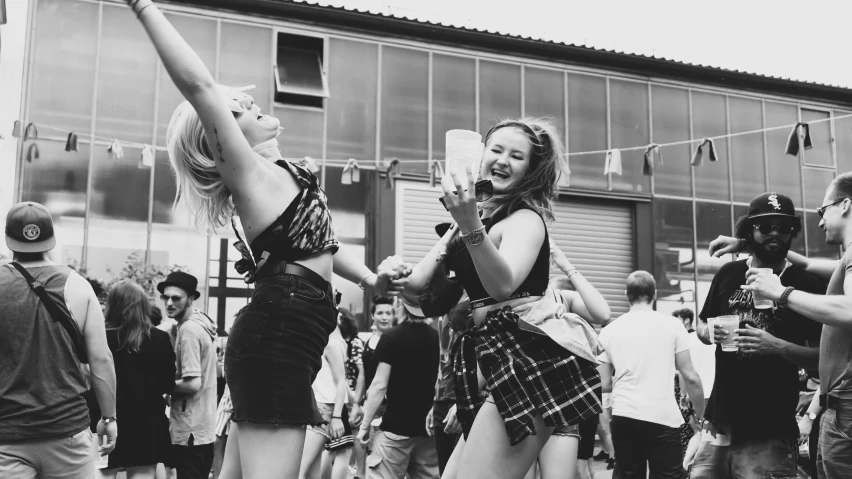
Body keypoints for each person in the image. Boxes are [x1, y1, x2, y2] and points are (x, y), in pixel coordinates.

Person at [125, 2, 397, 478]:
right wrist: (143, 6)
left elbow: (323, 245)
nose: (249, 105)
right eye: (235, 112)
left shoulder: (282, 177)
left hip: (283, 334)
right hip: (280, 337)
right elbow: (198, 87)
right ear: (221, 141)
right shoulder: (248, 177)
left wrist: (375, 277)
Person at [380, 117, 603, 479]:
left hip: (535, 361)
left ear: (530, 170)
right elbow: (420, 287)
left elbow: (504, 286)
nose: (502, 160)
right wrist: (389, 275)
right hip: (494, 360)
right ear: (481, 156)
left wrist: (470, 224)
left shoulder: (526, 219)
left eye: (517, 156)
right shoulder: (471, 217)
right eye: (496, 150)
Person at [691, 192, 824, 479]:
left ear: (793, 233)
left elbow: (823, 358)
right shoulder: (728, 273)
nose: (775, 233)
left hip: (770, 425)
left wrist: (777, 346)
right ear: (749, 230)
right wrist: (707, 332)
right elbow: (701, 325)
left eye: (783, 227)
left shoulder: (805, 284)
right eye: (765, 227)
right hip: (719, 420)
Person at [738, 177, 852, 479]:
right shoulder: (846, 259)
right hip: (835, 406)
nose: (820, 222)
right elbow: (810, 265)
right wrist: (748, 241)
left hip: (846, 407)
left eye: (822, 211)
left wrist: (781, 293)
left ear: (845, 206)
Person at [0, 201, 118, 477]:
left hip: (6, 435)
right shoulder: (78, 285)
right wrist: (109, 417)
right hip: (68, 432)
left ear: (8, 240)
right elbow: (101, 360)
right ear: (51, 241)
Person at [598, 270, 705, 479]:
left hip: (625, 415)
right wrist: (701, 415)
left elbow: (602, 383)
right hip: (662, 416)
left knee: (628, 475)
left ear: (626, 294)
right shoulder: (673, 325)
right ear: (654, 294)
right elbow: (690, 376)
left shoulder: (609, 330)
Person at [534, 239, 613, 479]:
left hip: (563, 407)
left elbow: (603, 314)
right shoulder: (505, 294)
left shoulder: (561, 297)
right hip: (522, 405)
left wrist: (567, 266)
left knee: (577, 469)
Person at [100, 280, 176, 479]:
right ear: (144, 306)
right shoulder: (159, 338)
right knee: (143, 474)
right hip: (147, 420)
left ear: (112, 305)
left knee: (104, 473)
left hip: (106, 416)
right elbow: (168, 383)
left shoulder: (100, 337)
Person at [357, 301, 440, 479]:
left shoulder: (391, 337)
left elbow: (379, 385)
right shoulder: (437, 337)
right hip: (427, 431)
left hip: (395, 429)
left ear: (401, 308)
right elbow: (441, 380)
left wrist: (364, 426)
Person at [158, 271, 218, 479]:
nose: (169, 303)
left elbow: (193, 384)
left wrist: (160, 384)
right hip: (202, 427)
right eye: (166, 297)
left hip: (191, 428)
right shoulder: (198, 324)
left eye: (176, 298)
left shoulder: (189, 331)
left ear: (191, 299)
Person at [299, 323, 351, 479]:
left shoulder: (330, 344)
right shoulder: (308, 341)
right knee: (310, 473)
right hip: (310, 409)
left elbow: (341, 382)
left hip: (323, 410)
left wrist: (337, 417)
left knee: (298, 471)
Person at [336, 308, 366, 478]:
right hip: (340, 393)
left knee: (354, 432)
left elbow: (362, 371)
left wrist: (356, 398)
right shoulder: (337, 342)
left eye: (340, 318)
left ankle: (356, 470)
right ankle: (351, 468)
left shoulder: (354, 343)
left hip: (352, 393)